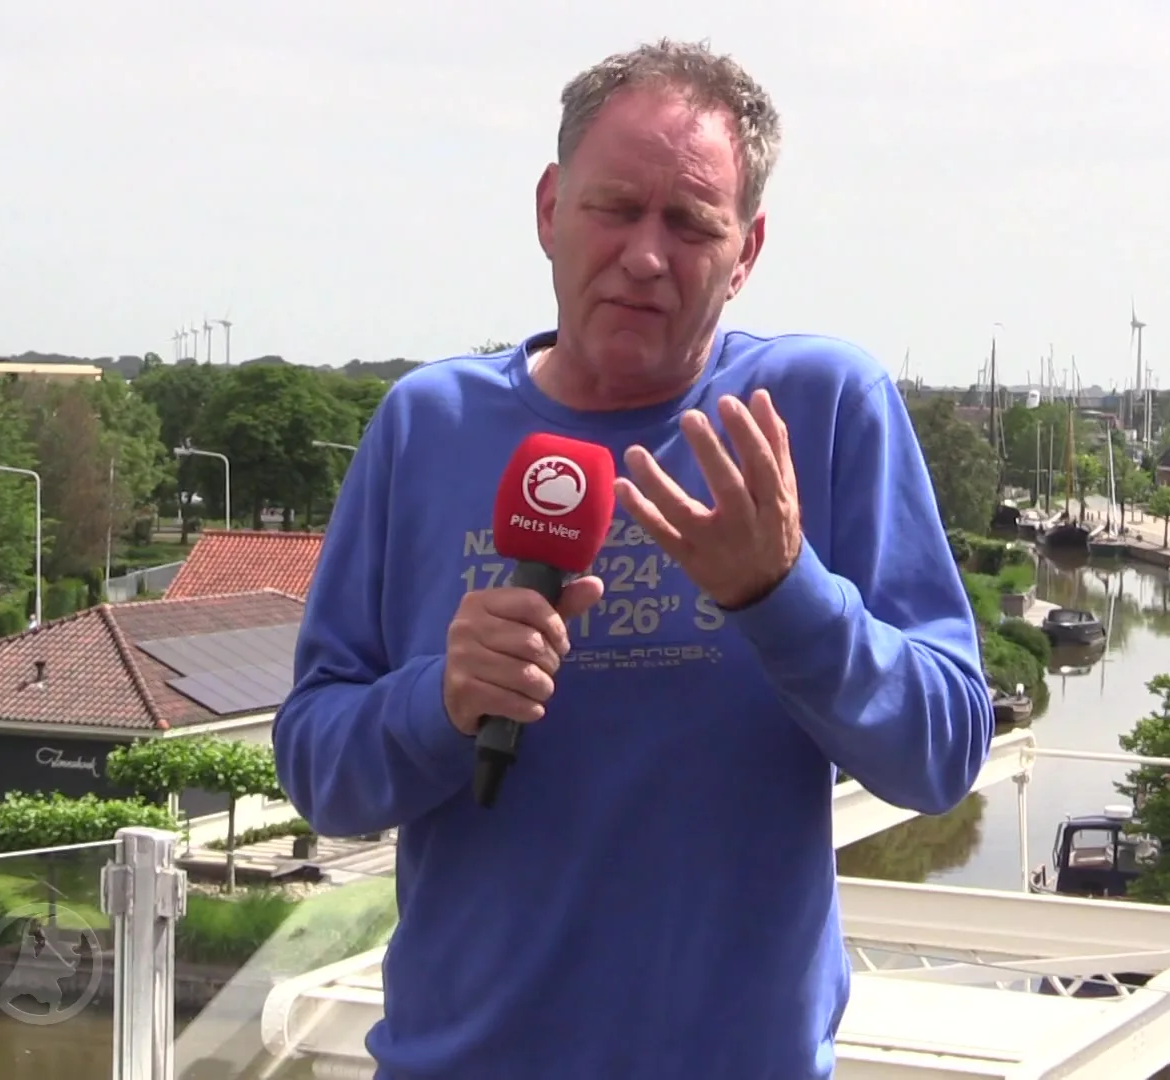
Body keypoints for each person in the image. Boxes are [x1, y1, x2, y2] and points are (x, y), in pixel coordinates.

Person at [273, 38, 994, 1080]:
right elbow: (318, 771)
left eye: (692, 223)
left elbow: (942, 753)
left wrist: (781, 594)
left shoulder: (823, 409)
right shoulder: (425, 425)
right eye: (614, 208)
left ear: (745, 251)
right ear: (549, 210)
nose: (646, 255)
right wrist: (442, 700)